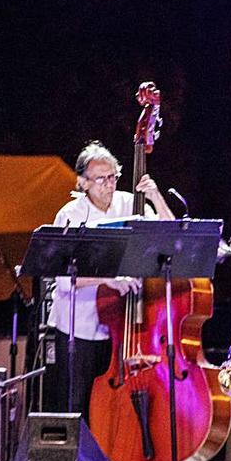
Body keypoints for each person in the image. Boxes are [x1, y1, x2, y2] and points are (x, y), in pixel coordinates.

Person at [45, 141, 174, 420]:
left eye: (113, 176)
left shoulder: (129, 203)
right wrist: (111, 280)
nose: (109, 184)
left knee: (111, 409)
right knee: (76, 404)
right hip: (78, 326)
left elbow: (171, 236)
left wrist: (155, 196)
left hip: (119, 327)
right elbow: (66, 278)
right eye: (101, 178)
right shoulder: (69, 215)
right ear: (82, 183)